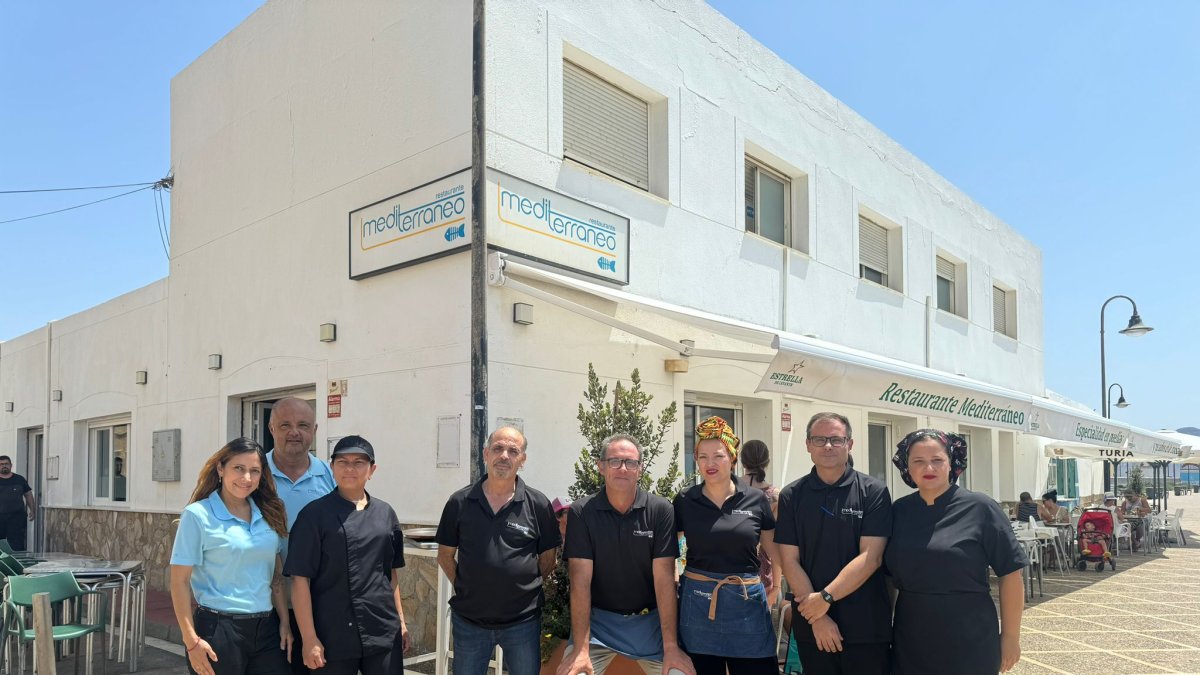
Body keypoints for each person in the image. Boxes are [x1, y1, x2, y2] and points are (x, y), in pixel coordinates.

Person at [886, 430, 1027, 674]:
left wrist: (1011, 637)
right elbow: (887, 577)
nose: (928, 467)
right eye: (918, 461)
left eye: (937, 460)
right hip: (911, 636)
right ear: (906, 468)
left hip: (970, 636)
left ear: (952, 463)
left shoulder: (981, 508)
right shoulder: (898, 511)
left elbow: (1011, 573)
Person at [556, 433, 693, 675]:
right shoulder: (581, 512)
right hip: (598, 626)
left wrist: (671, 646)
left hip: (650, 624)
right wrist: (580, 649)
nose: (623, 468)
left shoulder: (661, 510)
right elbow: (580, 583)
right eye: (614, 461)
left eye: (631, 462)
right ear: (601, 466)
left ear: (640, 469)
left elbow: (664, 581)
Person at [435, 427, 560, 675]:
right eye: (498, 448)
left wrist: (522, 589)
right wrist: (467, 587)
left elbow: (548, 559)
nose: (504, 455)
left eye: (513, 450)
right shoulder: (459, 502)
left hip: (523, 623)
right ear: (485, 454)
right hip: (470, 622)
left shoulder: (538, 504)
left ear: (522, 460)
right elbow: (445, 556)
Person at [774, 412, 891, 675]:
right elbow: (789, 560)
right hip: (812, 626)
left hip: (866, 626)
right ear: (807, 445)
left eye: (836, 440)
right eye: (819, 439)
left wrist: (825, 598)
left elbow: (871, 557)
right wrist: (818, 617)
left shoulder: (873, 491)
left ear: (850, 444)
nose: (828, 446)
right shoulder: (792, 496)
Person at [286, 435, 408, 675]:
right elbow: (300, 580)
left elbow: (390, 574)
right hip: (332, 633)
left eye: (359, 462)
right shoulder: (313, 516)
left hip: (381, 628)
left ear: (372, 470)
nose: (350, 468)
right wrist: (309, 638)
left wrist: (401, 623)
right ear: (332, 468)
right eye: (342, 462)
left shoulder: (386, 514)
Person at [169, 438, 292, 675]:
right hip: (218, 630)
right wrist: (191, 640)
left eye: (254, 471)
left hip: (266, 628)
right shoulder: (197, 515)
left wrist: (284, 623)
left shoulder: (269, 513)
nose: (246, 478)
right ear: (220, 468)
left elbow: (275, 575)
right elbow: (179, 582)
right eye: (239, 468)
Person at [673, 417, 778, 675]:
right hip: (698, 602)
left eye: (718, 456)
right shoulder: (685, 500)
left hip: (747, 603)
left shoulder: (756, 499)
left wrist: (775, 588)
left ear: (732, 458)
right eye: (702, 456)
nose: (710, 464)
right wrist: (674, 580)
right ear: (696, 459)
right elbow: (667, 553)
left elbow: (774, 551)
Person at [264, 397, 334, 674]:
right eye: (285, 425)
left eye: (302, 425)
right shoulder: (253, 475)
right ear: (271, 429)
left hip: (318, 605)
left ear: (314, 430)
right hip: (265, 605)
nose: (294, 432)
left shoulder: (329, 476)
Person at [739, 439, 781, 604]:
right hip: (762, 573)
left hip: (730, 572)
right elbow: (777, 542)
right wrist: (777, 586)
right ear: (767, 462)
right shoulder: (775, 495)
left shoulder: (730, 489)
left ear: (742, 461)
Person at [0, 455, 35, 551]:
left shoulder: (19, 479)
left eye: (6, 464)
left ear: (11, 465)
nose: (4, 466)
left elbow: (28, 494)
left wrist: (32, 510)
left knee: (17, 543)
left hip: (17, 518)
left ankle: (18, 564)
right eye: (1, 464)